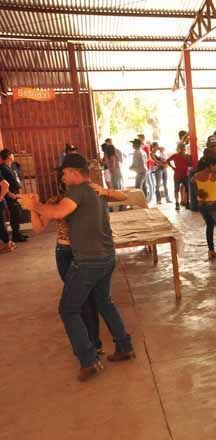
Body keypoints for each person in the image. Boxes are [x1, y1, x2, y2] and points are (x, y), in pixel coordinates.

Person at [18, 154, 135, 382]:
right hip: (105, 256)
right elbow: (51, 216)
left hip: (89, 261)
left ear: (73, 172)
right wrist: (37, 207)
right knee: (103, 302)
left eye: (64, 173)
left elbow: (58, 213)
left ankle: (89, 361)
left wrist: (34, 205)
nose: (62, 177)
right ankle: (124, 346)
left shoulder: (78, 191)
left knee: (69, 310)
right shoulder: (93, 191)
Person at [0, 149, 27, 243]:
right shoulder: (2, 168)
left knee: (17, 213)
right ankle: (15, 235)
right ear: (8, 156)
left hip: (15, 193)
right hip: (10, 195)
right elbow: (4, 184)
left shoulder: (10, 166)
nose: (13, 156)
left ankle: (17, 233)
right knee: (15, 214)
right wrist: (9, 194)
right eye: (11, 154)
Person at [167, 143, 192, 211]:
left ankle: (187, 203)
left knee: (187, 189)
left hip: (185, 174)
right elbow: (167, 160)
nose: (183, 149)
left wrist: (188, 160)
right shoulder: (175, 155)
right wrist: (172, 167)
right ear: (179, 149)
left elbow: (190, 164)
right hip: (177, 175)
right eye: (181, 148)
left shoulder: (187, 156)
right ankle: (177, 203)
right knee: (176, 189)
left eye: (183, 148)